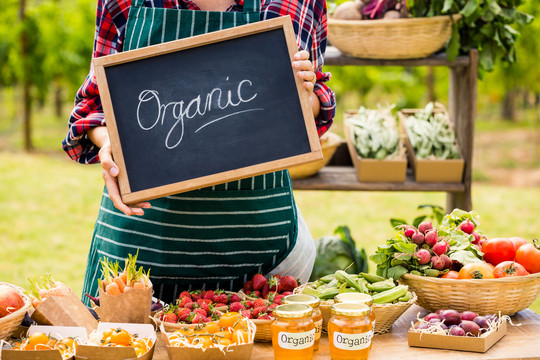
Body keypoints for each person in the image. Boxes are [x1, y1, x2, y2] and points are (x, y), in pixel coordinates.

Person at [63, 0, 335, 305]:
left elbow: (314, 104)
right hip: (136, 257)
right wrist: (108, 142)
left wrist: (304, 92)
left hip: (260, 266)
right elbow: (94, 106)